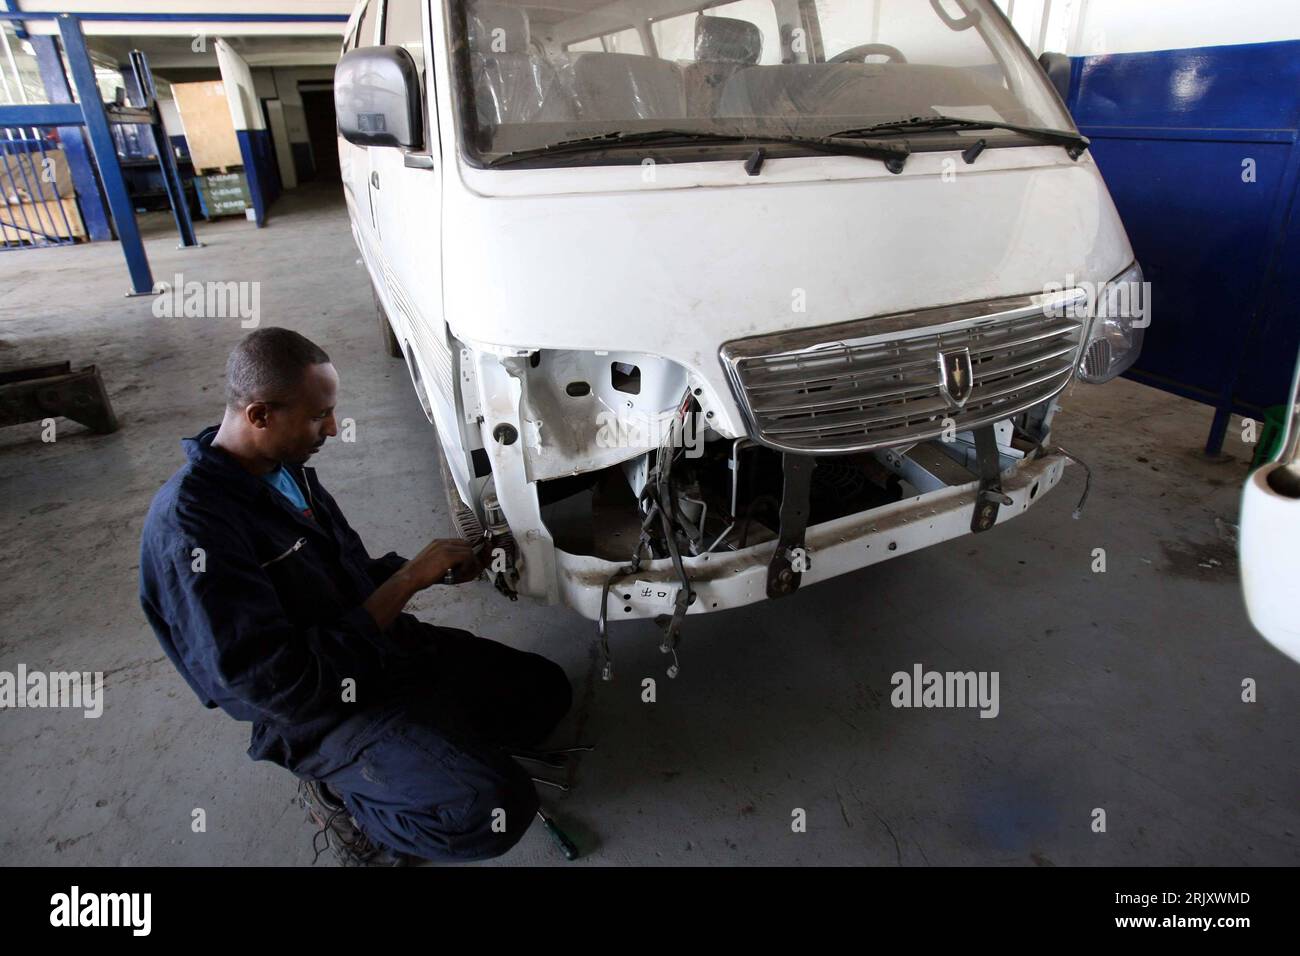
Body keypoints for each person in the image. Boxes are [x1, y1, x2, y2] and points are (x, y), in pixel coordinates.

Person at [140, 327, 571, 864]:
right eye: (318, 415)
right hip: (316, 710)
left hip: (377, 650)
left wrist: (432, 571)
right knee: (492, 808)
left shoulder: (283, 470)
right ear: (259, 416)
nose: (332, 427)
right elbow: (277, 685)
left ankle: (424, 750)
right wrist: (407, 579)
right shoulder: (194, 528)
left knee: (546, 693)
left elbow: (344, 572)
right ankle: (353, 807)